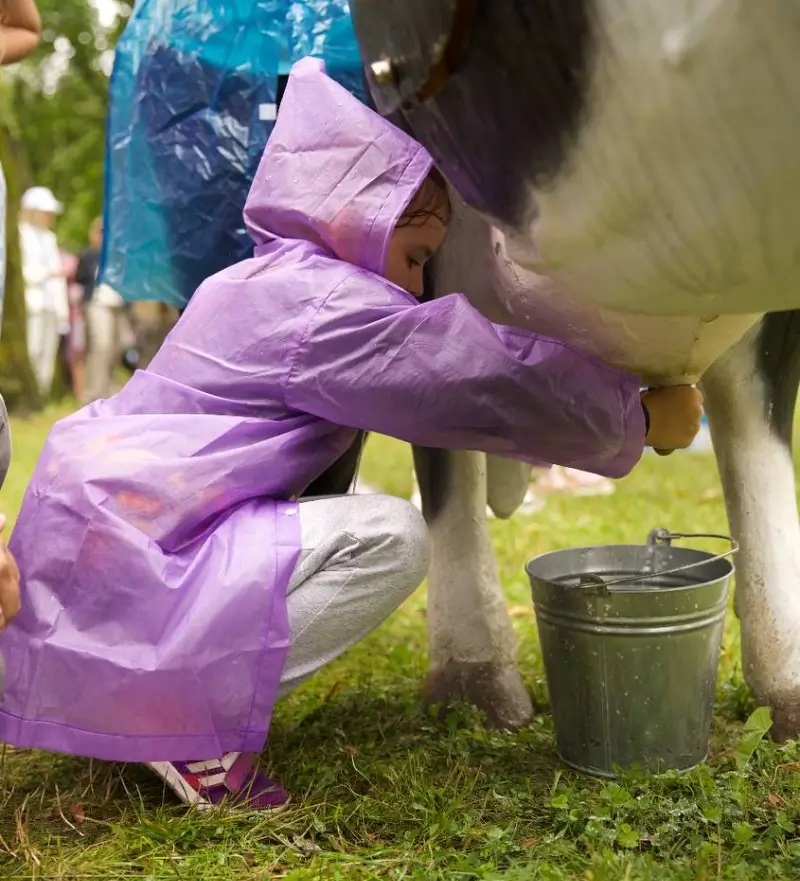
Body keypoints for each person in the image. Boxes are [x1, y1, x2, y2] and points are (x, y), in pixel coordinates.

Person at [1, 58, 702, 812]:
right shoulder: (326, 307)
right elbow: (482, 380)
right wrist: (635, 411)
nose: (413, 287)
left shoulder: (260, 278)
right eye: (414, 258)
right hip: (135, 543)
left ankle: (147, 704)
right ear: (355, 223)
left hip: (98, 527)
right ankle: (181, 723)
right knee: (389, 536)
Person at [19, 186, 69, 396]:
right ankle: (29, 394)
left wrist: (63, 310)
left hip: (51, 303)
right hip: (33, 302)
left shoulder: (49, 238)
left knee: (47, 354)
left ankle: (41, 396)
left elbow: (59, 276)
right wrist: (47, 273)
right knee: (33, 349)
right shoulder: (21, 234)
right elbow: (25, 271)